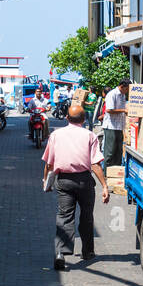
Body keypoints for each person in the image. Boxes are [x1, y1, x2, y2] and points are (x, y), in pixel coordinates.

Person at [42, 102, 109, 271]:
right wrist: (105, 186)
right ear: (84, 119)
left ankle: (60, 253)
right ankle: (87, 251)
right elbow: (95, 164)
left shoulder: (56, 135)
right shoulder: (89, 136)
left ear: (66, 118)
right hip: (85, 181)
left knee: (64, 216)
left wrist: (46, 182)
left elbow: (49, 163)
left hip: (64, 181)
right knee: (86, 216)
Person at [102, 79, 129, 170]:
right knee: (110, 151)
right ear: (122, 86)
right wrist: (123, 111)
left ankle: (115, 172)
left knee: (118, 151)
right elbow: (109, 110)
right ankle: (106, 173)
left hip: (119, 126)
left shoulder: (123, 95)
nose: (128, 91)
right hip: (111, 126)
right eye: (127, 89)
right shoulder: (112, 94)